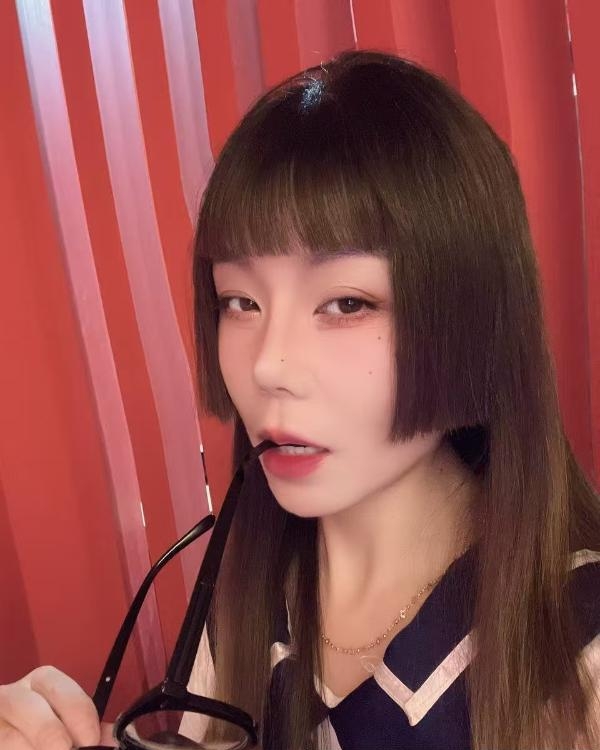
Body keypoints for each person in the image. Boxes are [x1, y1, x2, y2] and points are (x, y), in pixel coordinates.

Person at [1, 49, 599, 750]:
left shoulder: (578, 646)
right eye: (240, 301)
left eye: (346, 302)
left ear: (474, 317)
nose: (267, 365)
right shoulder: (243, 602)